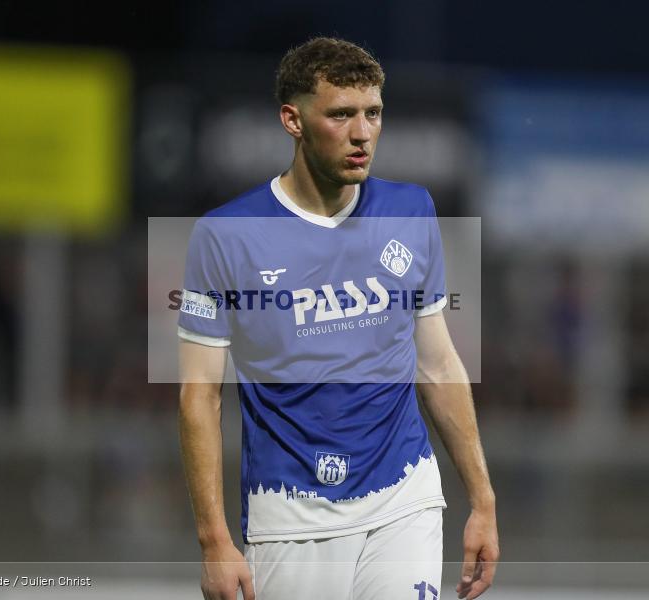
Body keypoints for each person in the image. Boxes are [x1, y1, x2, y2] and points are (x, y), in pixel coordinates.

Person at [178, 37, 498, 600]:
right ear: (292, 120)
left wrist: (482, 500)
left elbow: (437, 360)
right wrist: (213, 541)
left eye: (373, 113)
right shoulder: (225, 235)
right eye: (341, 115)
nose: (362, 133)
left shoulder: (411, 209)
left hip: (404, 493)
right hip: (291, 513)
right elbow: (200, 393)